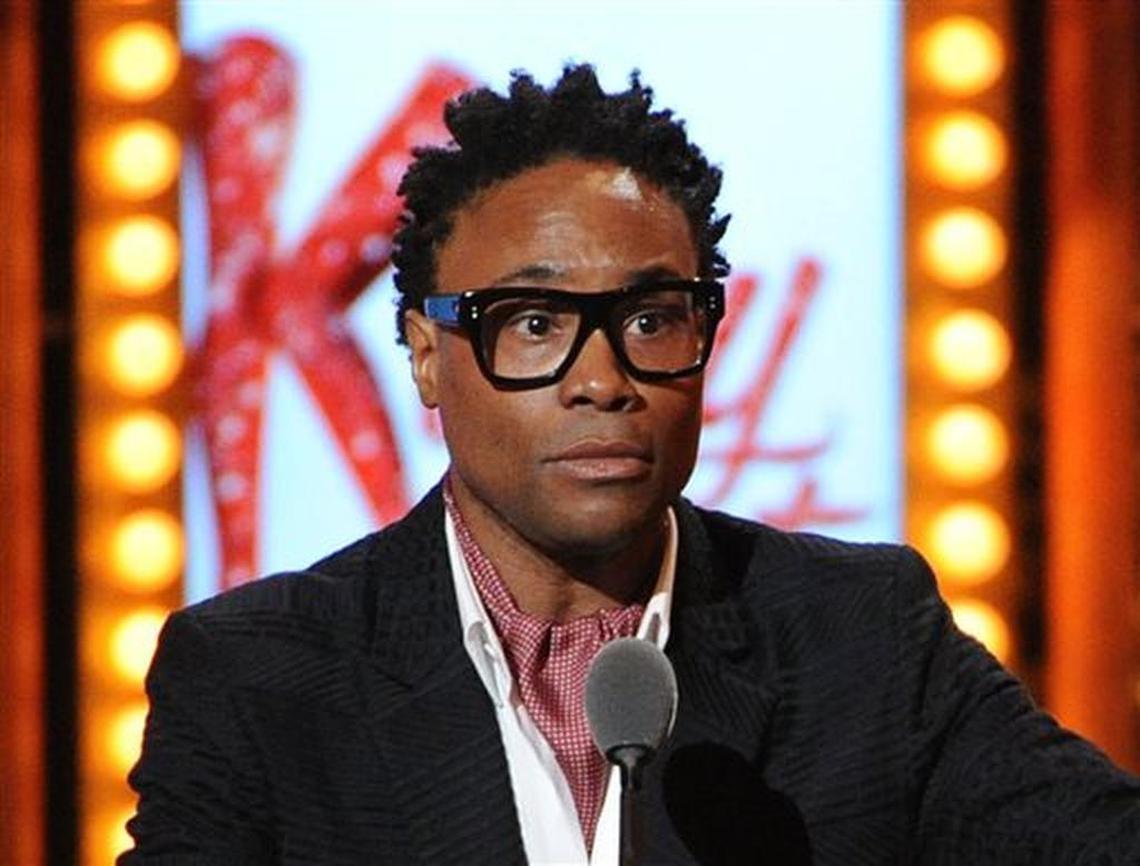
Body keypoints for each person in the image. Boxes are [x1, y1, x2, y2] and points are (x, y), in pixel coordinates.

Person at [122, 65, 1140, 865]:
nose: (602, 378)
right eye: (533, 322)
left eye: (652, 318)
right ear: (427, 355)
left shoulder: (863, 636)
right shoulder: (260, 675)